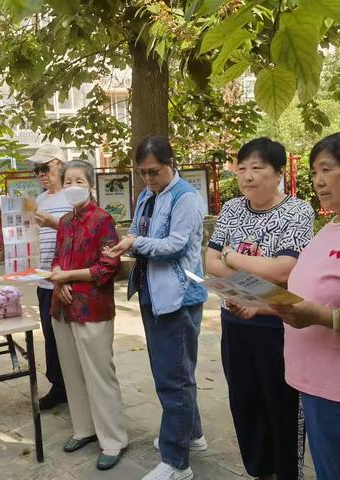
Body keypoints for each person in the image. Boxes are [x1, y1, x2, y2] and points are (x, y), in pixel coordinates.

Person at [205, 137, 315, 480]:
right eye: (242, 168)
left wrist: (233, 257)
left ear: (279, 172)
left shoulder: (298, 211)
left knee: (282, 407)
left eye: (258, 168)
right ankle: (259, 471)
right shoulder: (232, 209)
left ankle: (286, 473)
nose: (248, 176)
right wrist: (254, 270)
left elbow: (285, 270)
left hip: (278, 324)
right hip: (235, 322)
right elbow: (209, 261)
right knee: (245, 402)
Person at [104, 135, 208, 480]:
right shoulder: (148, 196)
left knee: (173, 378)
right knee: (174, 371)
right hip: (151, 291)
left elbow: (176, 246)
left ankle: (177, 461)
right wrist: (124, 244)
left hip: (179, 295)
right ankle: (190, 433)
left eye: (154, 172)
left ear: (170, 164)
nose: (148, 179)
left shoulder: (186, 198)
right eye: (143, 173)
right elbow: (137, 232)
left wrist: (136, 243)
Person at [48, 160, 128, 471]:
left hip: (92, 309)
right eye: (67, 181)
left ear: (91, 184)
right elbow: (56, 258)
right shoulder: (66, 221)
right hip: (62, 306)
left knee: (99, 375)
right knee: (72, 372)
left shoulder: (103, 220)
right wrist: (59, 275)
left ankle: (113, 440)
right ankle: (84, 429)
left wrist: (67, 277)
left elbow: (108, 267)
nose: (72, 186)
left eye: (78, 180)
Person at [271, 133, 340, 480]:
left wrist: (321, 317)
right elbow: (308, 293)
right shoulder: (328, 227)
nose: (318, 181)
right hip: (311, 383)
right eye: (314, 172)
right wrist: (262, 306)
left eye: (326, 169)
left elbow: (321, 308)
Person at [29, 144, 72, 410]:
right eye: (37, 170)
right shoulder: (39, 200)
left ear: (60, 165)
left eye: (45, 168)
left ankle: (76, 385)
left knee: (71, 337)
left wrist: (55, 224)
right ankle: (58, 386)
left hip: (68, 277)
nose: (42, 174)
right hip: (44, 278)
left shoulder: (73, 197)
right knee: (50, 336)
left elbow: (84, 231)